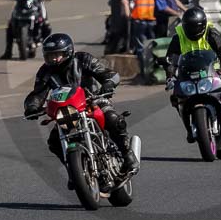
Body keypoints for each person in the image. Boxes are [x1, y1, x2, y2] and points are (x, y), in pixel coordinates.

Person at [23, 33, 139, 180]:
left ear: (68, 52)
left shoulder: (83, 59)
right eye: (50, 55)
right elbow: (38, 94)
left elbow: (108, 73)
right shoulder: (45, 71)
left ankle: (127, 154)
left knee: (112, 119)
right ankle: (73, 171)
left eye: (57, 54)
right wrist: (32, 106)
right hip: (67, 110)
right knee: (54, 142)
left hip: (93, 101)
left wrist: (108, 83)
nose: (54, 59)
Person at [165, 6, 221, 137]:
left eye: (196, 27)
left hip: (213, 71)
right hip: (188, 74)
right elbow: (170, 60)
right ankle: (188, 125)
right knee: (175, 97)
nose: (193, 30)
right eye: (190, 27)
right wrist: (170, 77)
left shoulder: (211, 33)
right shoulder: (178, 37)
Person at [129, 0, 159, 76]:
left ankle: (143, 71)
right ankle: (152, 70)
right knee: (153, 46)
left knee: (141, 47)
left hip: (139, 20)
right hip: (152, 20)